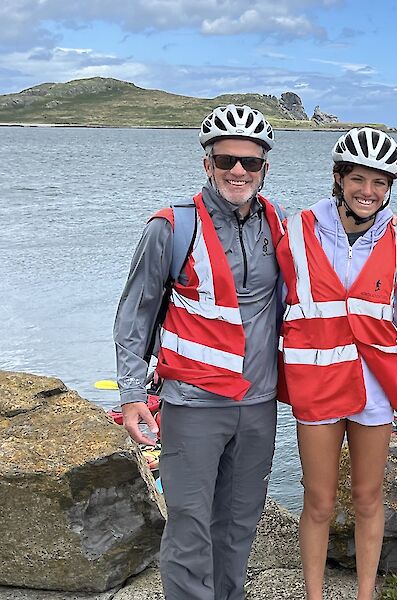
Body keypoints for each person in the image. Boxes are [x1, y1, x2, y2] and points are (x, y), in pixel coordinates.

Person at [114, 104, 284, 600]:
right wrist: (130, 395)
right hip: (191, 405)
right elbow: (134, 315)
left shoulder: (278, 224)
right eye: (226, 159)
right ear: (207, 163)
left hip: (258, 403)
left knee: (238, 526)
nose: (238, 170)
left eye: (250, 162)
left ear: (264, 169)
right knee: (190, 530)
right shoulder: (170, 228)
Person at [277, 128, 397, 600]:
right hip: (316, 383)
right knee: (319, 501)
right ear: (338, 179)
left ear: (390, 189)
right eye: (358, 179)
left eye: (380, 183)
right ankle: (314, 595)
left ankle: (366, 594)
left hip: (374, 386)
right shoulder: (295, 230)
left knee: (368, 497)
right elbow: (271, 303)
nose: (368, 191)